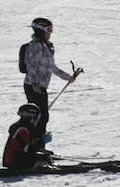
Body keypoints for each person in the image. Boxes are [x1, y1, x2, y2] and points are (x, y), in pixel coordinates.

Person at [22, 17, 80, 146]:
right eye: (49, 30)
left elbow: (51, 67)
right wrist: (35, 84)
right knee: (39, 118)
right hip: (33, 86)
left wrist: (67, 77)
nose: (50, 33)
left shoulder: (45, 46)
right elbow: (31, 66)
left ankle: (37, 145)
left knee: (42, 117)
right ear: (41, 30)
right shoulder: (36, 46)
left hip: (39, 87)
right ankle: (34, 146)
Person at [1, 104, 45, 173]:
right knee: (44, 158)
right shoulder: (23, 129)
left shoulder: (21, 127)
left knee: (44, 156)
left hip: (14, 160)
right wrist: (40, 142)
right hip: (15, 162)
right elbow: (29, 148)